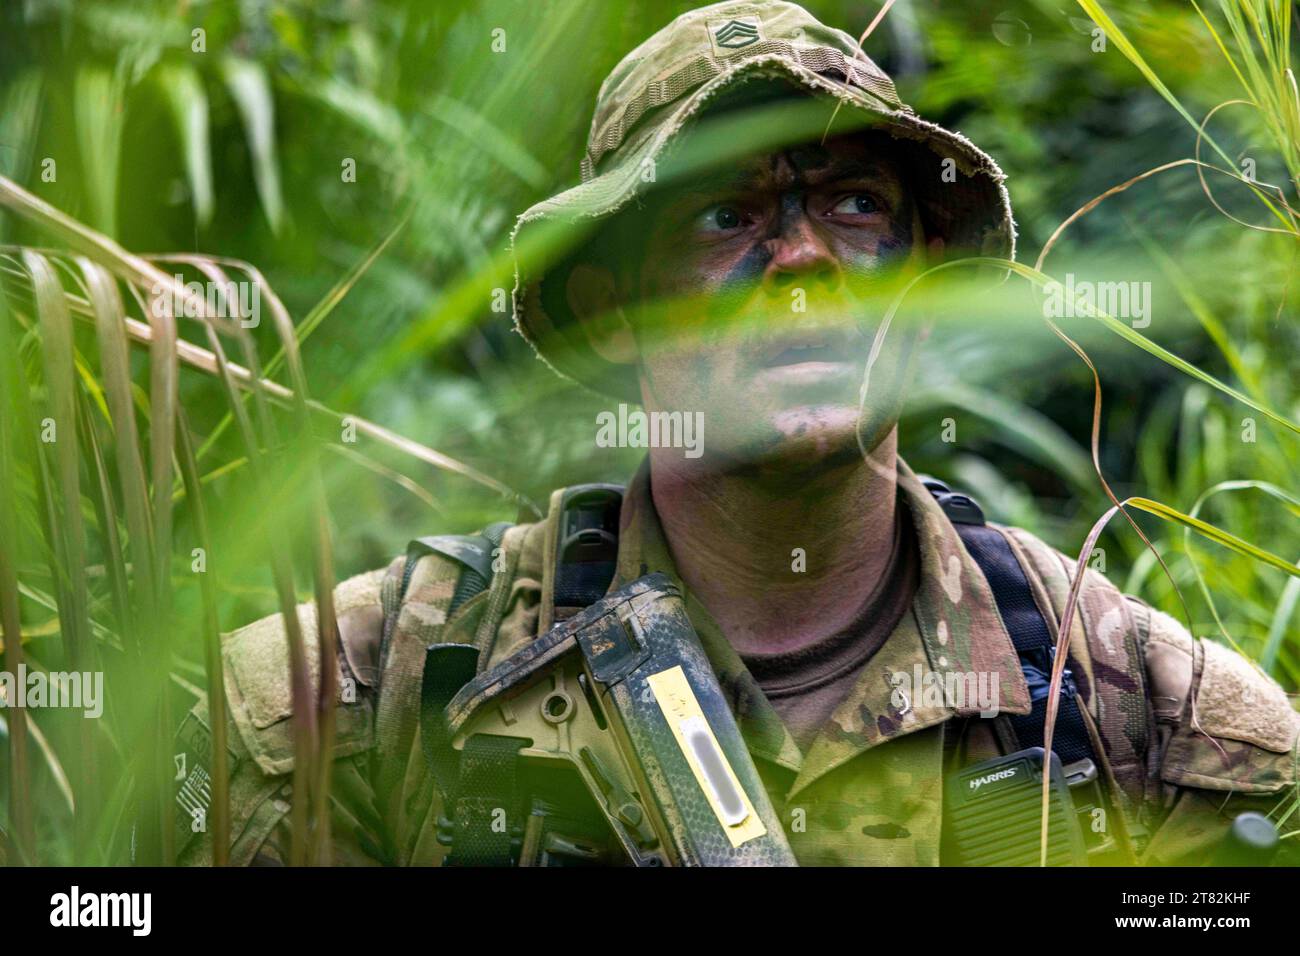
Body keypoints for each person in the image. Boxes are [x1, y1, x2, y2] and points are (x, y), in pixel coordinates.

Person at [176, 0, 1299, 867]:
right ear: (616, 313)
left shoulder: (1147, 716)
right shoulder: (363, 697)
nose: (803, 261)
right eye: (727, 215)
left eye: (854, 205)